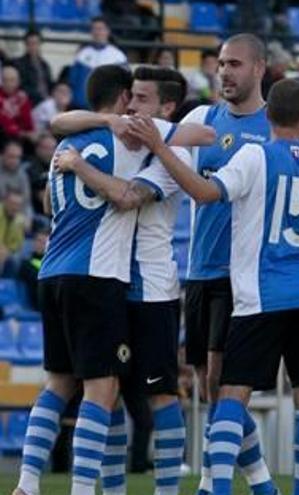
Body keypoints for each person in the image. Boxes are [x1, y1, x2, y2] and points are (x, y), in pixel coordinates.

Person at [135, 78, 299, 495]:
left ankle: (215, 486)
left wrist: (160, 148)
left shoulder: (255, 156)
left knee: (230, 392)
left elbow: (207, 192)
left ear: (269, 115)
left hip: (259, 294)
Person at [12, 65, 200, 495]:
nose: (133, 107)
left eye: (144, 99)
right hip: (101, 278)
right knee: (103, 388)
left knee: (156, 394)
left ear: (167, 109)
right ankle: (95, 489)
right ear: (118, 100)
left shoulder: (165, 152)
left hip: (147, 286)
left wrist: (77, 162)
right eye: (130, 98)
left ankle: (162, 490)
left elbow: (126, 194)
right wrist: (109, 124)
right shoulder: (123, 141)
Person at [68, 17, 128, 109]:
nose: (97, 32)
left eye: (100, 29)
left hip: (106, 109)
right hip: (81, 108)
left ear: (108, 31)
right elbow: (72, 80)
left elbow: (124, 84)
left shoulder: (118, 56)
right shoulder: (82, 54)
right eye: (94, 29)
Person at [13, 30, 52, 105]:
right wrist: (39, 96)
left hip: (47, 101)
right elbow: (21, 87)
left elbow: (49, 84)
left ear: (40, 44)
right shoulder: (19, 64)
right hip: (30, 102)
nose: (33, 47)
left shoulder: (44, 65)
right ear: (26, 45)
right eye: (30, 44)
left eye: (35, 43)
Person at [0, 66, 35, 141]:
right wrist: (23, 133)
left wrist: (29, 133)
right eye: (5, 80)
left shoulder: (22, 97)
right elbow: (4, 124)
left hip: (22, 137)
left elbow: (28, 123)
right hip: (4, 137)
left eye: (12, 80)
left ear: (18, 81)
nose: (8, 84)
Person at [0, 188, 26, 275]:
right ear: (5, 202)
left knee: (16, 260)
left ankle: (6, 286)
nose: (15, 208)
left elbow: (18, 244)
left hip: (7, 253)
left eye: (18, 205)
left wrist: (7, 251)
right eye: (13, 204)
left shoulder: (19, 220)